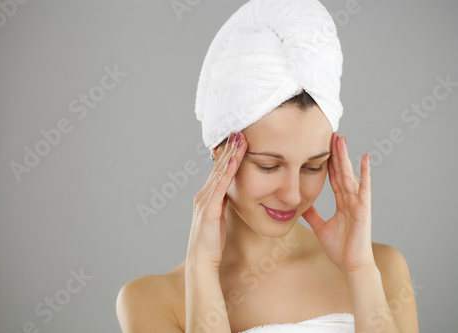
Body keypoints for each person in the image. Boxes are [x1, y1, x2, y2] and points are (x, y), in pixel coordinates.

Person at [116, 0, 419, 332]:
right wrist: (202, 271)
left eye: (313, 167)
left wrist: (360, 272)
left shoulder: (382, 269)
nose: (292, 195)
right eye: (268, 166)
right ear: (219, 152)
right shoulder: (152, 300)